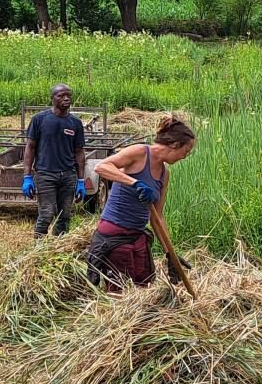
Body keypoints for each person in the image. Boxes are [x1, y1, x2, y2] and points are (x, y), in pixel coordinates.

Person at [85, 116, 197, 291]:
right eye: (186, 151)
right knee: (120, 290)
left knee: (145, 288)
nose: (185, 156)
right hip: (115, 234)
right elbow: (102, 167)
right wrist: (134, 183)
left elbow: (157, 217)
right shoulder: (140, 153)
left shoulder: (164, 174)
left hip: (137, 235)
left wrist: (170, 254)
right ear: (175, 144)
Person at [21, 83, 91, 238]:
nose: (66, 99)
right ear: (52, 98)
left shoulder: (75, 123)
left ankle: (59, 247)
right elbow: (30, 148)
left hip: (67, 175)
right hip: (46, 175)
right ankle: (38, 247)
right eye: (61, 96)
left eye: (68, 95)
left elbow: (79, 152)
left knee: (64, 215)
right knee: (46, 213)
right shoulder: (39, 120)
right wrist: (27, 176)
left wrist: (80, 180)